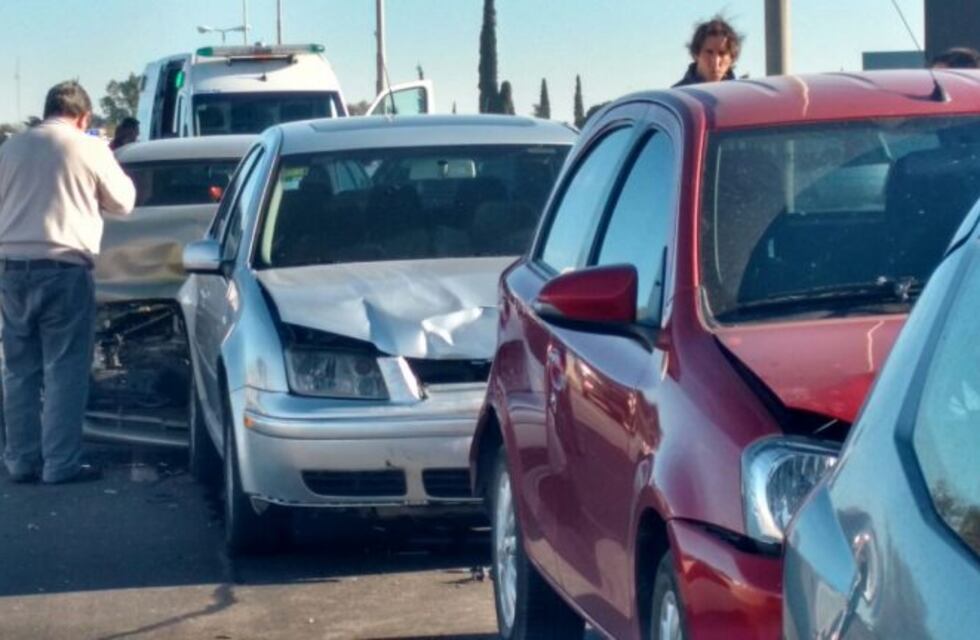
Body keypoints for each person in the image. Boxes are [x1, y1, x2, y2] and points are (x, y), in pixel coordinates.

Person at [0, 81, 135, 484]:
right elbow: (125, 202)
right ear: (83, 117)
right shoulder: (88, 147)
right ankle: (60, 465)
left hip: (10, 270)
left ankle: (21, 461)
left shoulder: (9, 149)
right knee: (63, 370)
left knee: (18, 371)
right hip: (64, 270)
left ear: (47, 111)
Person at [674, 16, 743, 87]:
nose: (715, 62)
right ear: (696, 55)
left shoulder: (742, 95)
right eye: (709, 52)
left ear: (732, 59)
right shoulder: (676, 95)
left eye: (722, 54)